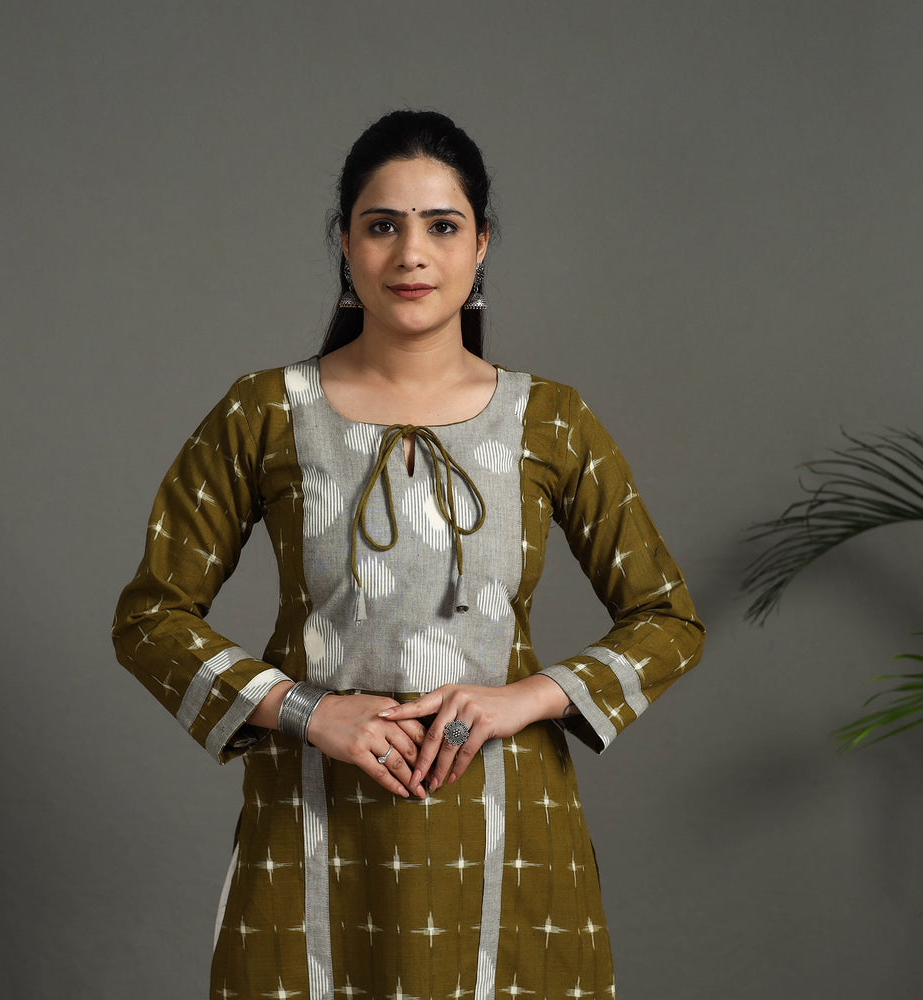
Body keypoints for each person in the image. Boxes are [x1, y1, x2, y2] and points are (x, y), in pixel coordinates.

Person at [113, 109, 704, 1000]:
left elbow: (668, 620)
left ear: (482, 244)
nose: (411, 254)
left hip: (510, 830)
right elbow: (150, 619)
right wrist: (310, 711)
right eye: (382, 225)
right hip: (313, 825)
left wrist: (521, 700)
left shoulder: (551, 421)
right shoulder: (265, 413)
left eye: (443, 226)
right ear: (345, 244)